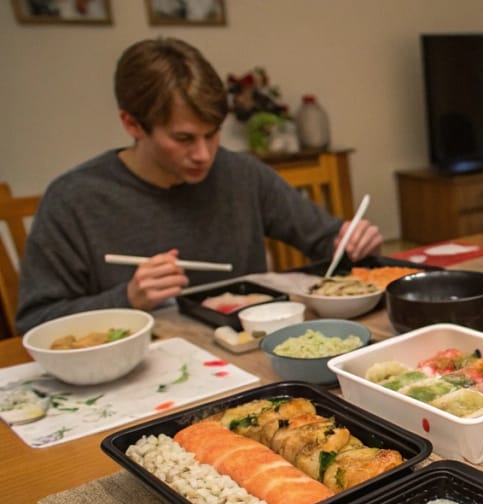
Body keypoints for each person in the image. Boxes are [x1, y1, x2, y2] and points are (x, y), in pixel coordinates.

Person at [15, 37, 382, 333]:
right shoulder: (75, 199)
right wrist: (128, 298)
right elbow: (36, 321)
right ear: (132, 124)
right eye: (183, 138)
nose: (204, 154)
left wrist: (351, 241)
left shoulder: (241, 175)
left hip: (244, 351)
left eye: (213, 134)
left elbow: (327, 241)